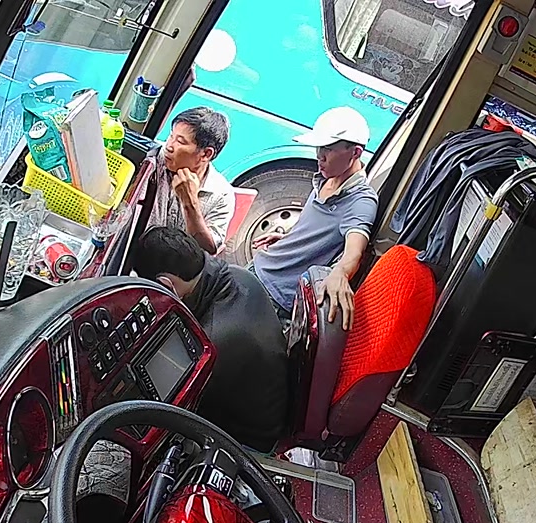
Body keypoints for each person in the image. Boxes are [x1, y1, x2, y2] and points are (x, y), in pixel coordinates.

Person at [133, 226, 289, 452]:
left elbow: (172, 410)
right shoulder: (237, 274)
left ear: (166, 284)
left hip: (246, 442)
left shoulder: (211, 346)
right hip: (266, 404)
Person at [251, 107, 379, 331]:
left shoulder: (361, 200)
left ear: (356, 153)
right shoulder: (325, 178)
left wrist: (341, 273)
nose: (320, 155)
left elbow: (353, 253)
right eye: (319, 147)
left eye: (328, 148)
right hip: (259, 266)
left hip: (276, 297)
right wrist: (288, 237)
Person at [145, 106, 235, 255]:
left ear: (206, 154)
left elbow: (207, 250)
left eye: (180, 141)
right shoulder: (153, 158)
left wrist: (190, 202)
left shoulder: (221, 194)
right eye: (171, 136)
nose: (169, 146)